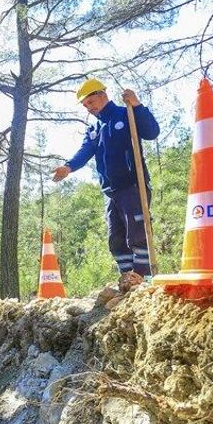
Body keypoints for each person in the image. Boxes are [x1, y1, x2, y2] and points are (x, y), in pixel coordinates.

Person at [52, 78, 160, 287]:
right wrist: (69, 166)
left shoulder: (126, 113)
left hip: (132, 185)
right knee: (116, 239)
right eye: (85, 106)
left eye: (91, 102)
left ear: (102, 94)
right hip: (110, 192)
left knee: (137, 234)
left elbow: (151, 132)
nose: (89, 108)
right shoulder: (94, 128)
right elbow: (85, 151)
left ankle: (144, 280)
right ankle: (127, 281)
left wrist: (137, 105)